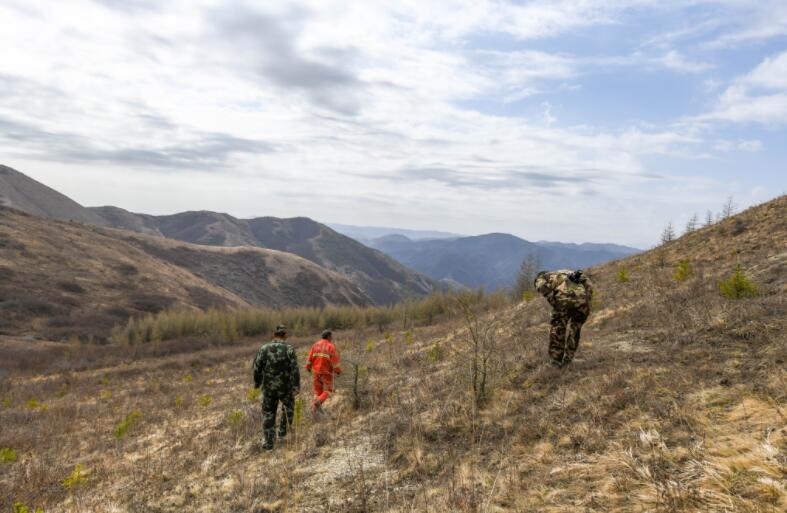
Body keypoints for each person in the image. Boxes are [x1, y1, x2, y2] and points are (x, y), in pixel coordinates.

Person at [252, 324, 300, 450]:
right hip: (285, 387)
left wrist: (257, 383)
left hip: (268, 388)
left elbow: (257, 368)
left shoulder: (264, 348)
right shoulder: (289, 349)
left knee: (268, 413)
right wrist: (296, 386)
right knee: (289, 408)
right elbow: (295, 369)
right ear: (285, 336)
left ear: (273, 335)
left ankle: (268, 443)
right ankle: (282, 432)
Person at [534, 269, 594, 368]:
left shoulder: (542, 277)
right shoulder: (568, 272)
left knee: (558, 329)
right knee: (575, 330)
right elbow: (589, 284)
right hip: (582, 302)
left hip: (563, 302)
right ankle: (568, 359)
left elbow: (541, 286)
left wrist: (554, 301)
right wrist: (586, 300)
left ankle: (555, 361)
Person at [305, 329, 341, 414]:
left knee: (318, 393)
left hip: (316, 373)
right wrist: (338, 371)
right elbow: (335, 361)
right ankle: (316, 404)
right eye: (331, 336)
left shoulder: (315, 345)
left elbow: (309, 359)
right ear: (328, 336)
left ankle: (315, 413)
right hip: (326, 373)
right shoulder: (330, 346)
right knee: (329, 391)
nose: (332, 338)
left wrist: (308, 367)